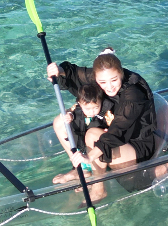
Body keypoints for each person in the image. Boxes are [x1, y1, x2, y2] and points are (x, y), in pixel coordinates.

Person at [48, 50, 157, 185]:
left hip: (135, 145)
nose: (109, 87)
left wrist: (89, 157)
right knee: (60, 122)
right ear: (96, 78)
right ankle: (80, 169)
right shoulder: (98, 78)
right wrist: (58, 70)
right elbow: (75, 73)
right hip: (109, 132)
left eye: (114, 80)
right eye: (102, 82)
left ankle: (98, 188)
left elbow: (119, 130)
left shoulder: (133, 94)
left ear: (121, 74)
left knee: (92, 134)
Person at [52, 83, 112, 172]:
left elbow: (114, 127)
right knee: (60, 121)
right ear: (80, 104)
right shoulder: (77, 109)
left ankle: (94, 171)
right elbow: (72, 113)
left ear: (101, 102)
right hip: (81, 146)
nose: (92, 112)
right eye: (87, 109)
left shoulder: (107, 115)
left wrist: (109, 130)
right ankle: (78, 168)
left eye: (96, 107)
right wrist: (69, 116)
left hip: (96, 151)